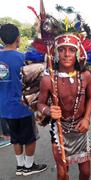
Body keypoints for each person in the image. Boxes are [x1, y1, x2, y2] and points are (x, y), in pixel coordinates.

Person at [37, 33, 91, 180]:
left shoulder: (85, 75)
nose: (67, 54)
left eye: (71, 50)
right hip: (59, 129)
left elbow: (90, 98)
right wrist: (48, 110)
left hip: (80, 129)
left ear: (78, 52)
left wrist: (87, 118)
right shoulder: (48, 79)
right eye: (62, 49)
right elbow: (40, 103)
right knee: (62, 173)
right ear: (55, 53)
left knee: (86, 172)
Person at [0, 24, 47, 176]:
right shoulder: (23, 58)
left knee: (15, 138)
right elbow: (36, 80)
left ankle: (20, 166)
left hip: (4, 108)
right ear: (18, 38)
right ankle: (28, 166)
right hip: (22, 107)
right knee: (30, 138)